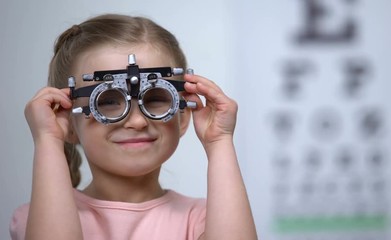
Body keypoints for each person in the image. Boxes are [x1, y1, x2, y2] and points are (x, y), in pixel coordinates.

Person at [9, 13, 257, 240]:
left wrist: (219, 141)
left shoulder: (205, 220)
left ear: (183, 116)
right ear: (68, 124)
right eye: (106, 101)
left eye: (157, 97)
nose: (137, 121)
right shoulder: (40, 218)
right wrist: (48, 140)